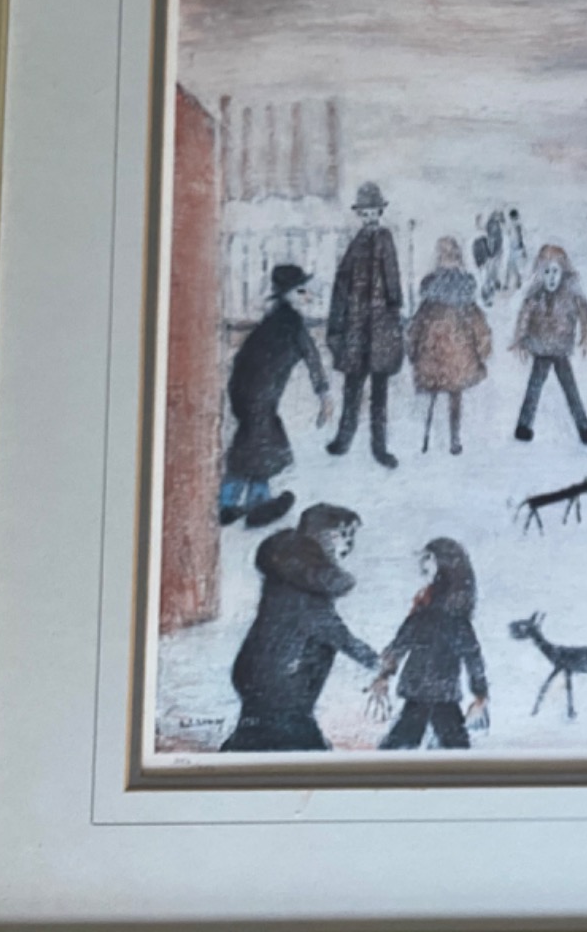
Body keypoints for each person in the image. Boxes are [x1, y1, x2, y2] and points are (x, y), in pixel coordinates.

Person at [221, 504, 378, 752]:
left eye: (351, 536)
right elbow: (334, 632)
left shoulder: (290, 571)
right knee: (298, 746)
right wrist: (377, 662)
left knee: (255, 737)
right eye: (343, 534)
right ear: (322, 535)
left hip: (258, 671)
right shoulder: (308, 583)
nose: (348, 544)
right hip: (283, 682)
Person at [219, 263, 333, 529]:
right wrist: (324, 394)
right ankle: (241, 502)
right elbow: (312, 357)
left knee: (256, 445)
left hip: (247, 393)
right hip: (258, 395)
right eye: (301, 291)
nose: (308, 296)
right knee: (259, 445)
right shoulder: (290, 323)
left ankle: (242, 500)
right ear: (286, 294)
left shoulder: (275, 320)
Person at [367, 538, 491, 750]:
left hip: (427, 690)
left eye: (428, 559)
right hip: (437, 691)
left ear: (445, 565)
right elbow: (472, 656)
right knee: (450, 745)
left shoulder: (440, 612)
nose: (422, 565)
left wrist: (384, 674)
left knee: (404, 744)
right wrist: (480, 693)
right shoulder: (434, 606)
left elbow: (402, 642)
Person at [325, 181, 405, 468]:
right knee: (352, 387)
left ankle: (379, 447)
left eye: (374, 212)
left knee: (379, 394)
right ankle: (343, 439)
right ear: (360, 214)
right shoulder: (356, 243)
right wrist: (341, 321)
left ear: (380, 212)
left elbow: (393, 281)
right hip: (358, 328)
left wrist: (392, 312)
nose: (370, 217)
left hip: (380, 328)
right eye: (365, 212)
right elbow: (342, 283)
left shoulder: (385, 238)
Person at [407, 236, 494, 456]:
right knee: (455, 395)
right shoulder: (465, 292)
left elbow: (416, 325)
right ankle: (453, 438)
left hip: (433, 355)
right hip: (458, 357)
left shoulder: (430, 293)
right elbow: (479, 325)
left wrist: (412, 350)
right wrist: (483, 350)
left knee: (436, 391)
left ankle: (429, 436)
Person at [511, 244, 587, 445]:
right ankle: (524, 425)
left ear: (563, 272)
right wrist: (520, 338)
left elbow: (584, 311)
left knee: (570, 390)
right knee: (534, 389)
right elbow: (525, 315)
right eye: (546, 271)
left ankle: (584, 427)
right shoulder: (535, 295)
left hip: (560, 349)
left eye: (555, 271)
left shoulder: (571, 294)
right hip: (541, 348)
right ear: (540, 273)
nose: (551, 277)